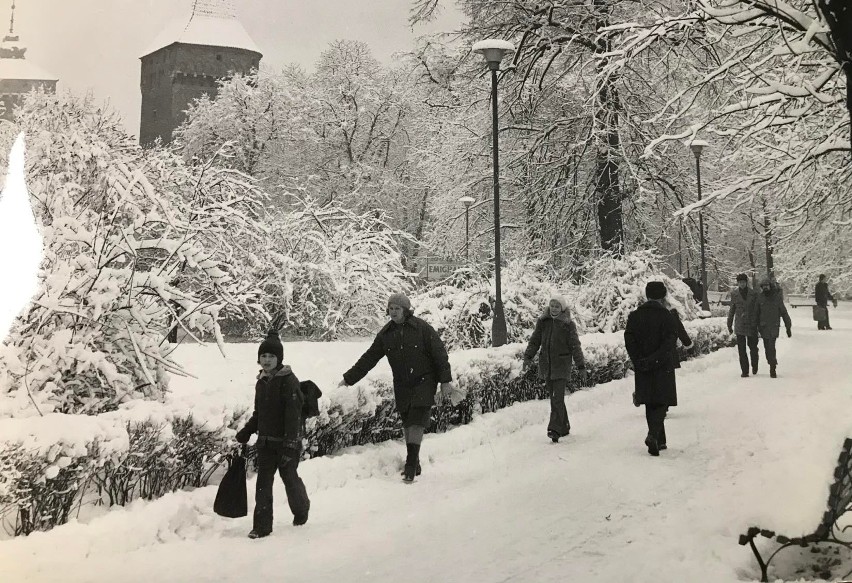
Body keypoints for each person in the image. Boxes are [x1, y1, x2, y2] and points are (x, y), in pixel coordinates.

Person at [338, 293, 454, 483]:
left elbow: (440, 354)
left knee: (417, 419)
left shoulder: (422, 328)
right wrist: (348, 379)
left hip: (424, 380)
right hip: (402, 383)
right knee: (408, 421)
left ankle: (410, 464)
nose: (393, 312)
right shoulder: (386, 334)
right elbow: (369, 358)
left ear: (406, 310)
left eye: (397, 309)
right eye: (391, 308)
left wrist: (445, 381)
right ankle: (415, 462)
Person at [235, 330, 310, 538]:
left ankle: (302, 509)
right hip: (266, 444)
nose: (266, 360)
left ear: (279, 359)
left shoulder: (288, 381)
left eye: (271, 356)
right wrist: (247, 431)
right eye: (263, 356)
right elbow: (259, 414)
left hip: (286, 443)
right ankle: (261, 527)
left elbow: (293, 416)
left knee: (290, 480)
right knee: (263, 486)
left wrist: (290, 444)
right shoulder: (261, 382)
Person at [523, 295, 587, 443]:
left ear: (562, 308)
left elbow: (575, 346)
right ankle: (564, 426)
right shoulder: (543, 322)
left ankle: (554, 429)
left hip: (561, 365)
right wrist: (528, 357)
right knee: (554, 397)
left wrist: (581, 365)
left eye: (557, 306)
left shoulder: (568, 324)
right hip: (547, 365)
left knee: (557, 397)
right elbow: (535, 340)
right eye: (552, 305)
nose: (554, 308)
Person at [624, 282, 678, 457]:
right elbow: (669, 342)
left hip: (642, 366)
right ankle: (654, 435)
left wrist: (639, 360)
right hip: (662, 365)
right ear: (663, 296)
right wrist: (656, 359)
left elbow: (629, 339)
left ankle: (660, 440)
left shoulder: (635, 316)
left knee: (649, 400)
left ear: (647, 296)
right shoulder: (667, 316)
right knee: (662, 400)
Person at [752, 276, 792, 378]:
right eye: (763, 286)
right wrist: (754, 326)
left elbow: (784, 312)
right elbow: (756, 313)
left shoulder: (776, 297)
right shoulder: (760, 298)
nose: (765, 287)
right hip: (763, 326)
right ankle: (770, 361)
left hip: (774, 326)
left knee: (771, 346)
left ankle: (773, 367)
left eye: (767, 285)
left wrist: (788, 326)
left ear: (770, 286)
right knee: (767, 347)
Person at [727, 273, 759, 377]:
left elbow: (757, 309)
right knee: (741, 349)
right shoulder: (734, 294)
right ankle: (745, 371)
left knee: (753, 347)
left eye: (743, 282)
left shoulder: (753, 293)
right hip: (740, 324)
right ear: (738, 283)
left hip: (751, 324)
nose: (741, 284)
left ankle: (755, 364)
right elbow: (732, 309)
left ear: (746, 282)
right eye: (740, 282)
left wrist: (758, 323)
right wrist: (729, 323)